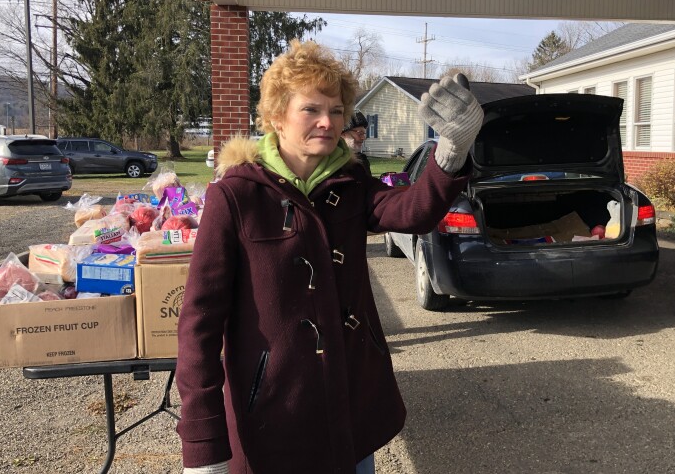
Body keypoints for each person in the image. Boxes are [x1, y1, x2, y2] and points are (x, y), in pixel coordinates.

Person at [175, 40, 483, 474]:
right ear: (277, 117)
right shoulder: (235, 196)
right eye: (311, 109)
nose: (327, 121)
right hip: (271, 418)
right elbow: (198, 325)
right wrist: (203, 446)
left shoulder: (352, 178)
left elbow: (412, 210)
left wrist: (451, 153)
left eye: (337, 111)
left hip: (351, 405)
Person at [341, 111, 371, 175]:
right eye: (360, 133)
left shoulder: (362, 160)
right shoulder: (332, 160)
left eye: (364, 134)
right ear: (342, 134)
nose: (364, 138)